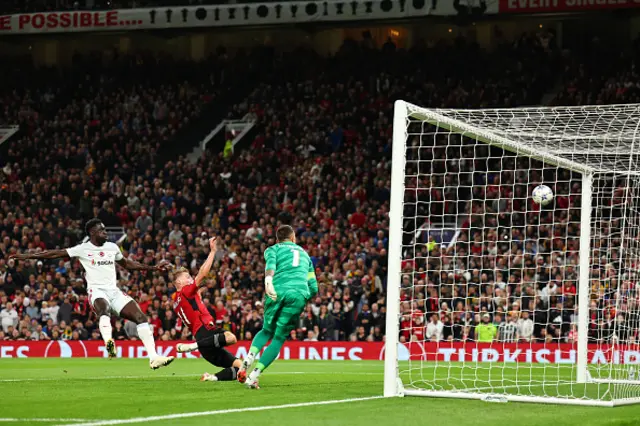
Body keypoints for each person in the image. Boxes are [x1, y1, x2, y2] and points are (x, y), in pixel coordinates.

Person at [9, 218, 174, 370]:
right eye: (102, 230)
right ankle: (109, 341)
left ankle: (154, 357)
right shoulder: (83, 249)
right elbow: (53, 253)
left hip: (114, 291)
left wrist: (153, 268)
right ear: (93, 233)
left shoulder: (112, 247)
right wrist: (27, 256)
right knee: (104, 309)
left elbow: (127, 264)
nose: (105, 232)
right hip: (96, 290)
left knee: (141, 317)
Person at [238, 224, 318, 389]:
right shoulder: (305, 255)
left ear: (277, 239)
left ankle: (249, 358)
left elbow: (271, 266)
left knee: (266, 330)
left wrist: (268, 281)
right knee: (279, 338)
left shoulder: (272, 249)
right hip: (298, 295)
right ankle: (254, 376)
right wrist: (302, 295)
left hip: (277, 290)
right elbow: (314, 287)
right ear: (293, 237)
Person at [172, 236, 243, 382]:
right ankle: (192, 347)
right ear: (179, 282)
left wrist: (205, 285)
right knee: (231, 337)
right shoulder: (185, 291)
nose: (191, 278)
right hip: (205, 333)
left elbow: (195, 296)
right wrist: (212, 252)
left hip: (206, 344)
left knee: (240, 367)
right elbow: (202, 274)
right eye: (187, 277)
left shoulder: (177, 301)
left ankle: (211, 378)